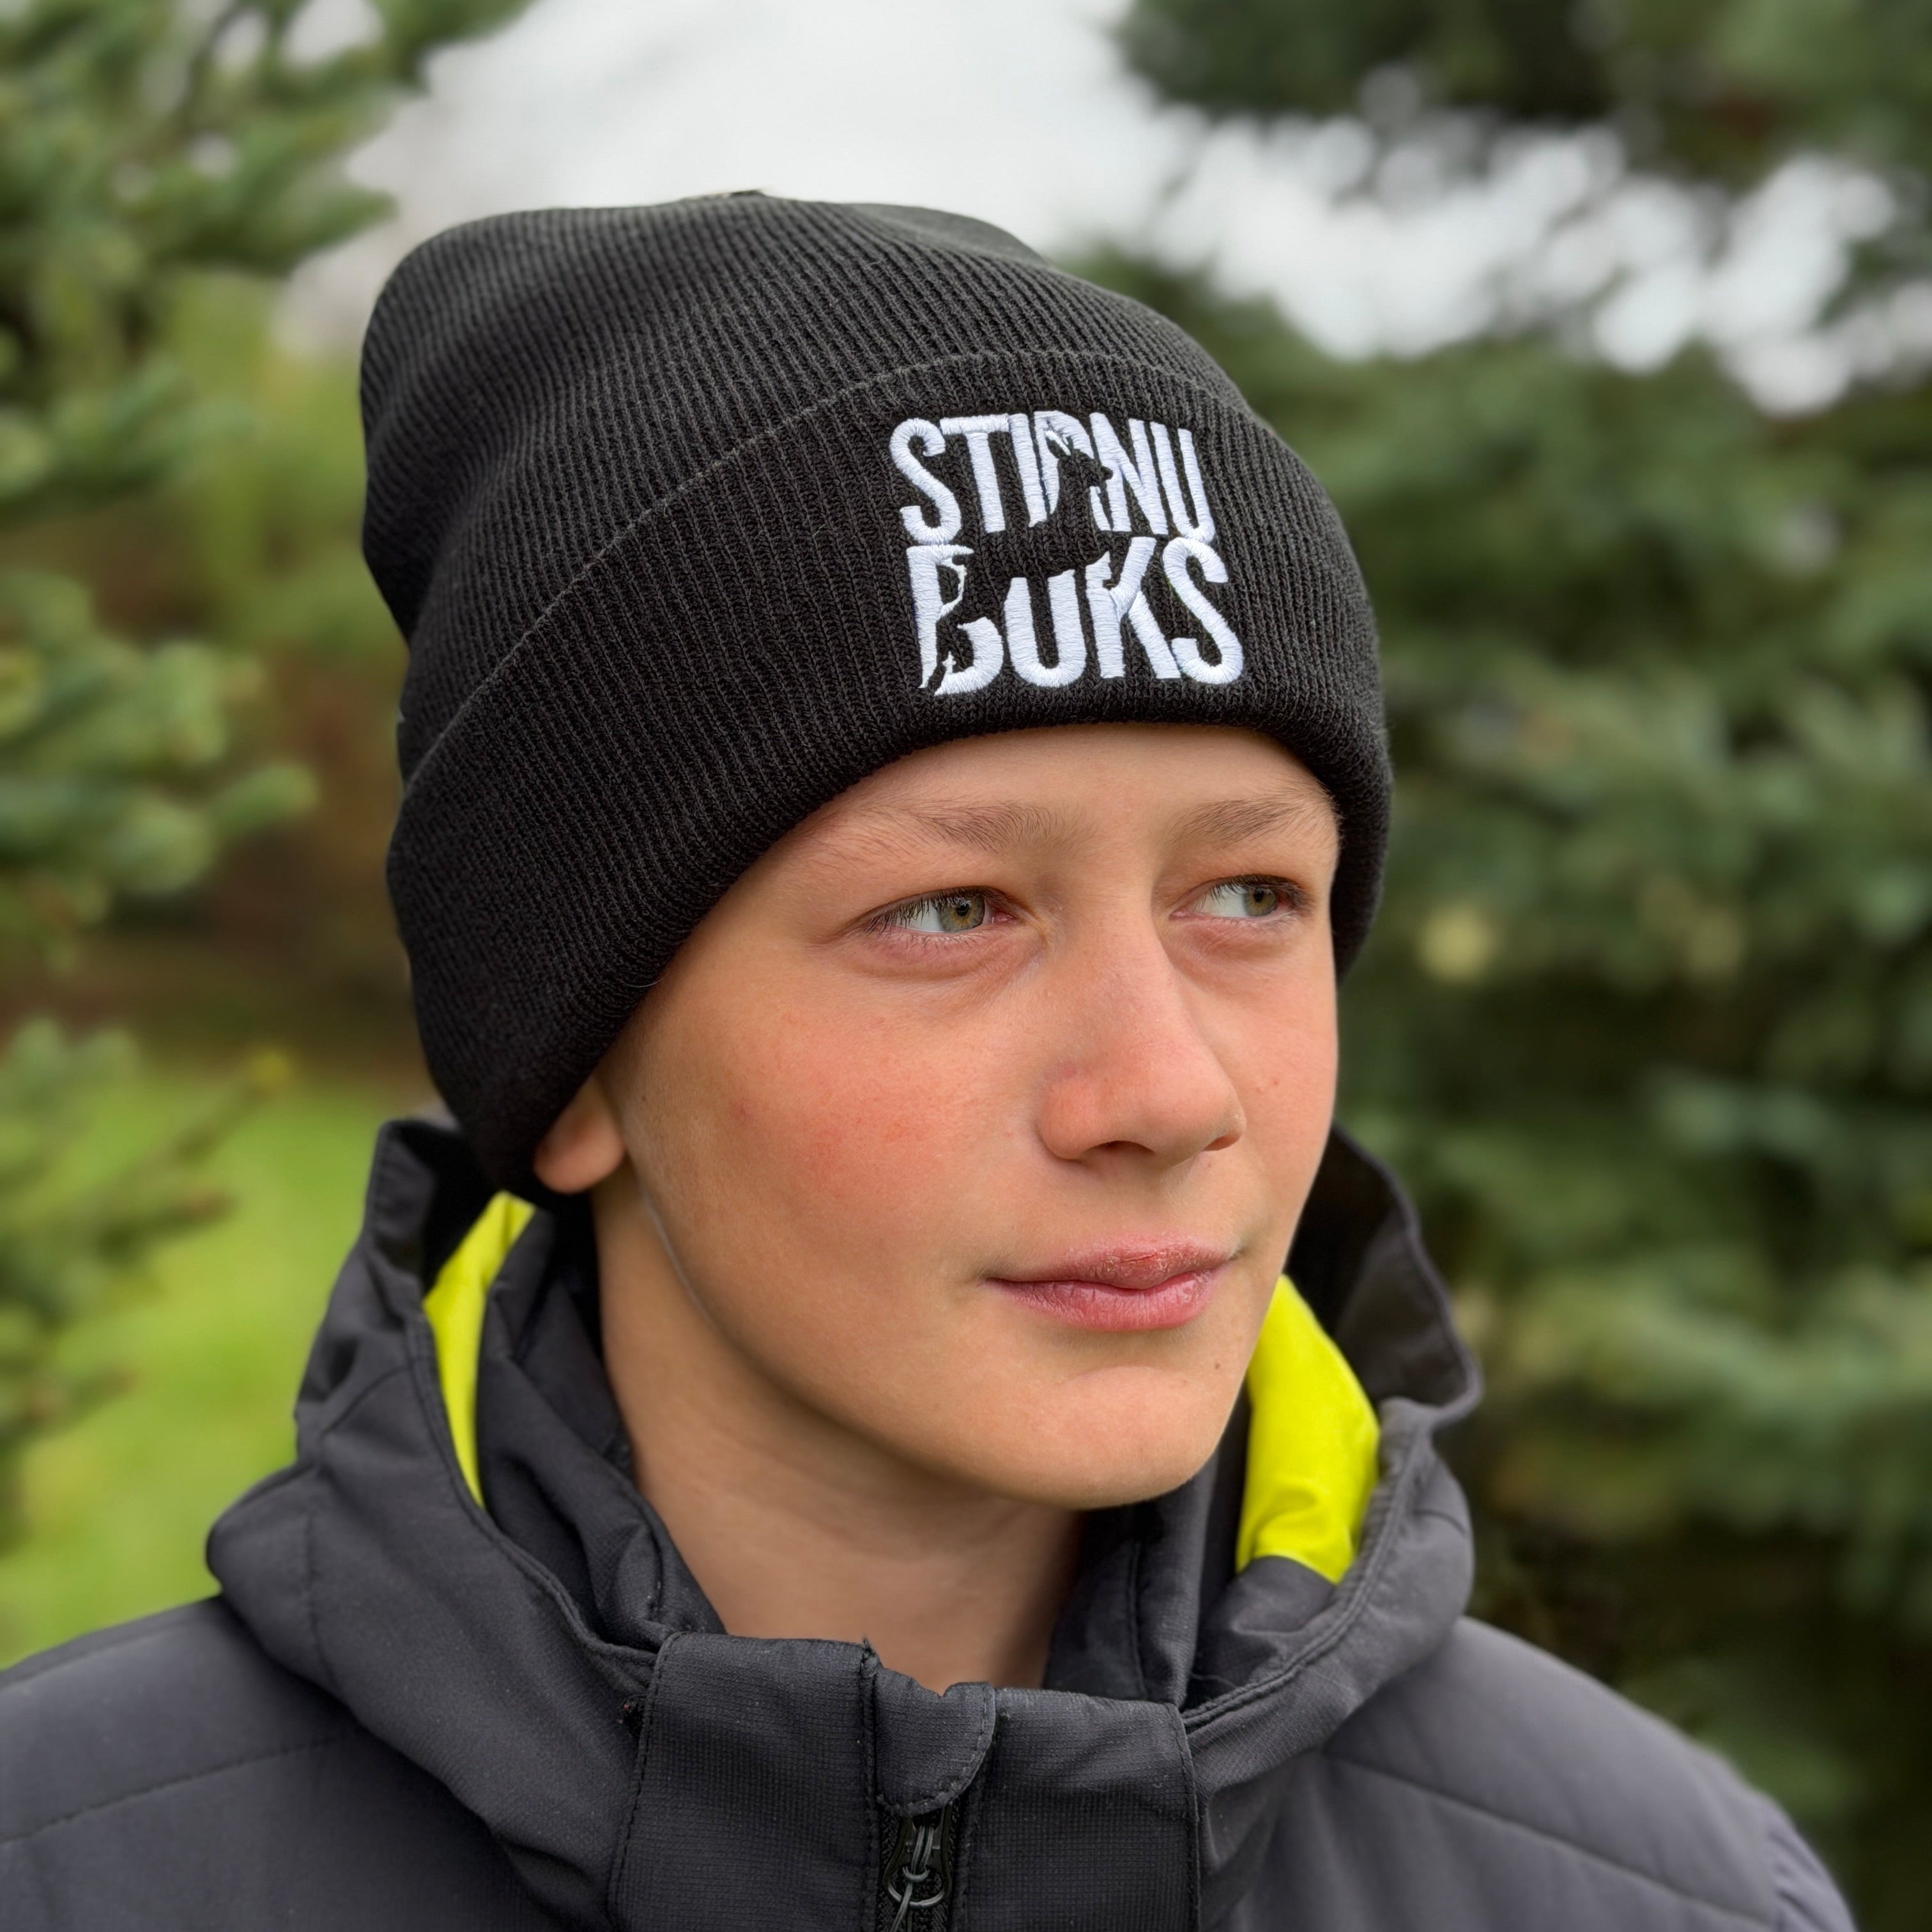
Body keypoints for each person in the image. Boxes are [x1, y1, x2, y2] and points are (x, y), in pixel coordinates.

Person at [0, 196, 1855, 1932]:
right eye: (951, 912)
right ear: (570, 1066)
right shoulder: (72, 1867)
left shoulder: (1669, 1898)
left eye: (1247, 896)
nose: (1168, 1091)